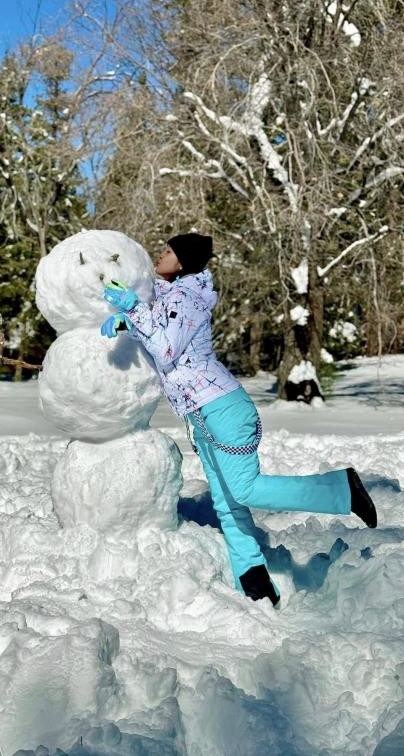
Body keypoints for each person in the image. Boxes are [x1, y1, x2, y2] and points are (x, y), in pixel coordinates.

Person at [100, 232, 377, 606]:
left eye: (167, 251)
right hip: (202, 413)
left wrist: (133, 308)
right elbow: (166, 337)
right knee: (227, 501)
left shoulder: (187, 296)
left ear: (182, 261)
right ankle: (253, 577)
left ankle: (341, 488)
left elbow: (166, 350)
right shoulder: (174, 296)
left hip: (222, 406)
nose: (159, 254)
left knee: (244, 489)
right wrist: (128, 323)